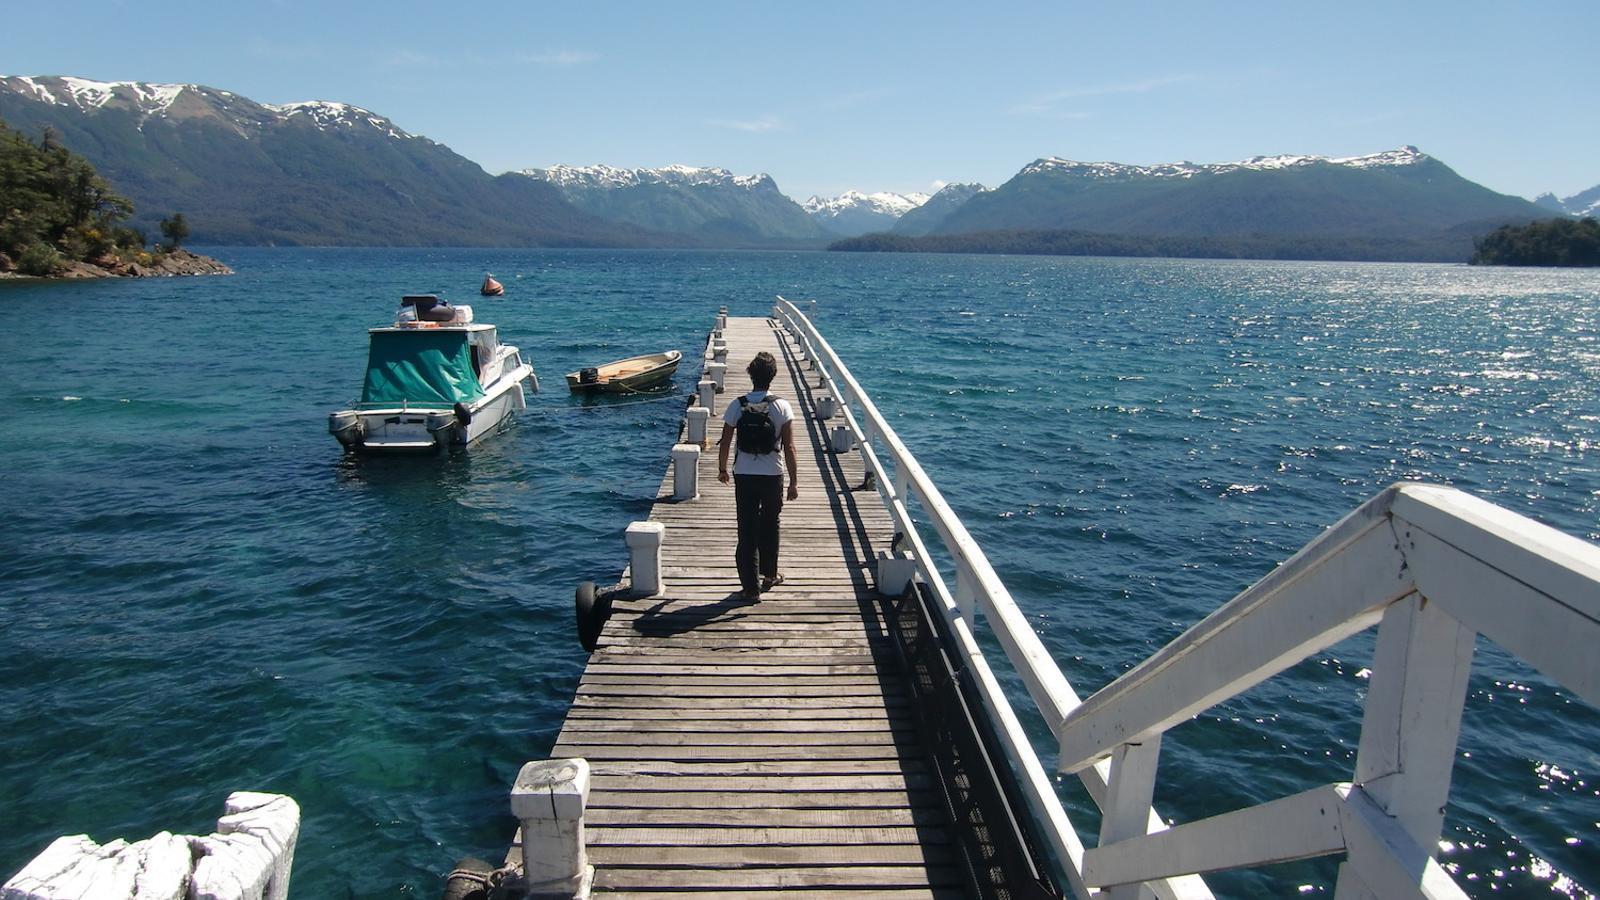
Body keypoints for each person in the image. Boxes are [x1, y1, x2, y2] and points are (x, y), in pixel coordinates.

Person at [717, 351, 799, 600]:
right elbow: (790, 447)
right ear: (772, 376)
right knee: (770, 525)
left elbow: (725, 441)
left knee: (747, 530)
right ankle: (770, 575)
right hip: (773, 475)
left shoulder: (737, 405)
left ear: (750, 375)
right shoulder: (782, 406)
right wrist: (793, 483)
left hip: (744, 474)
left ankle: (750, 589)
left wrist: (722, 469)